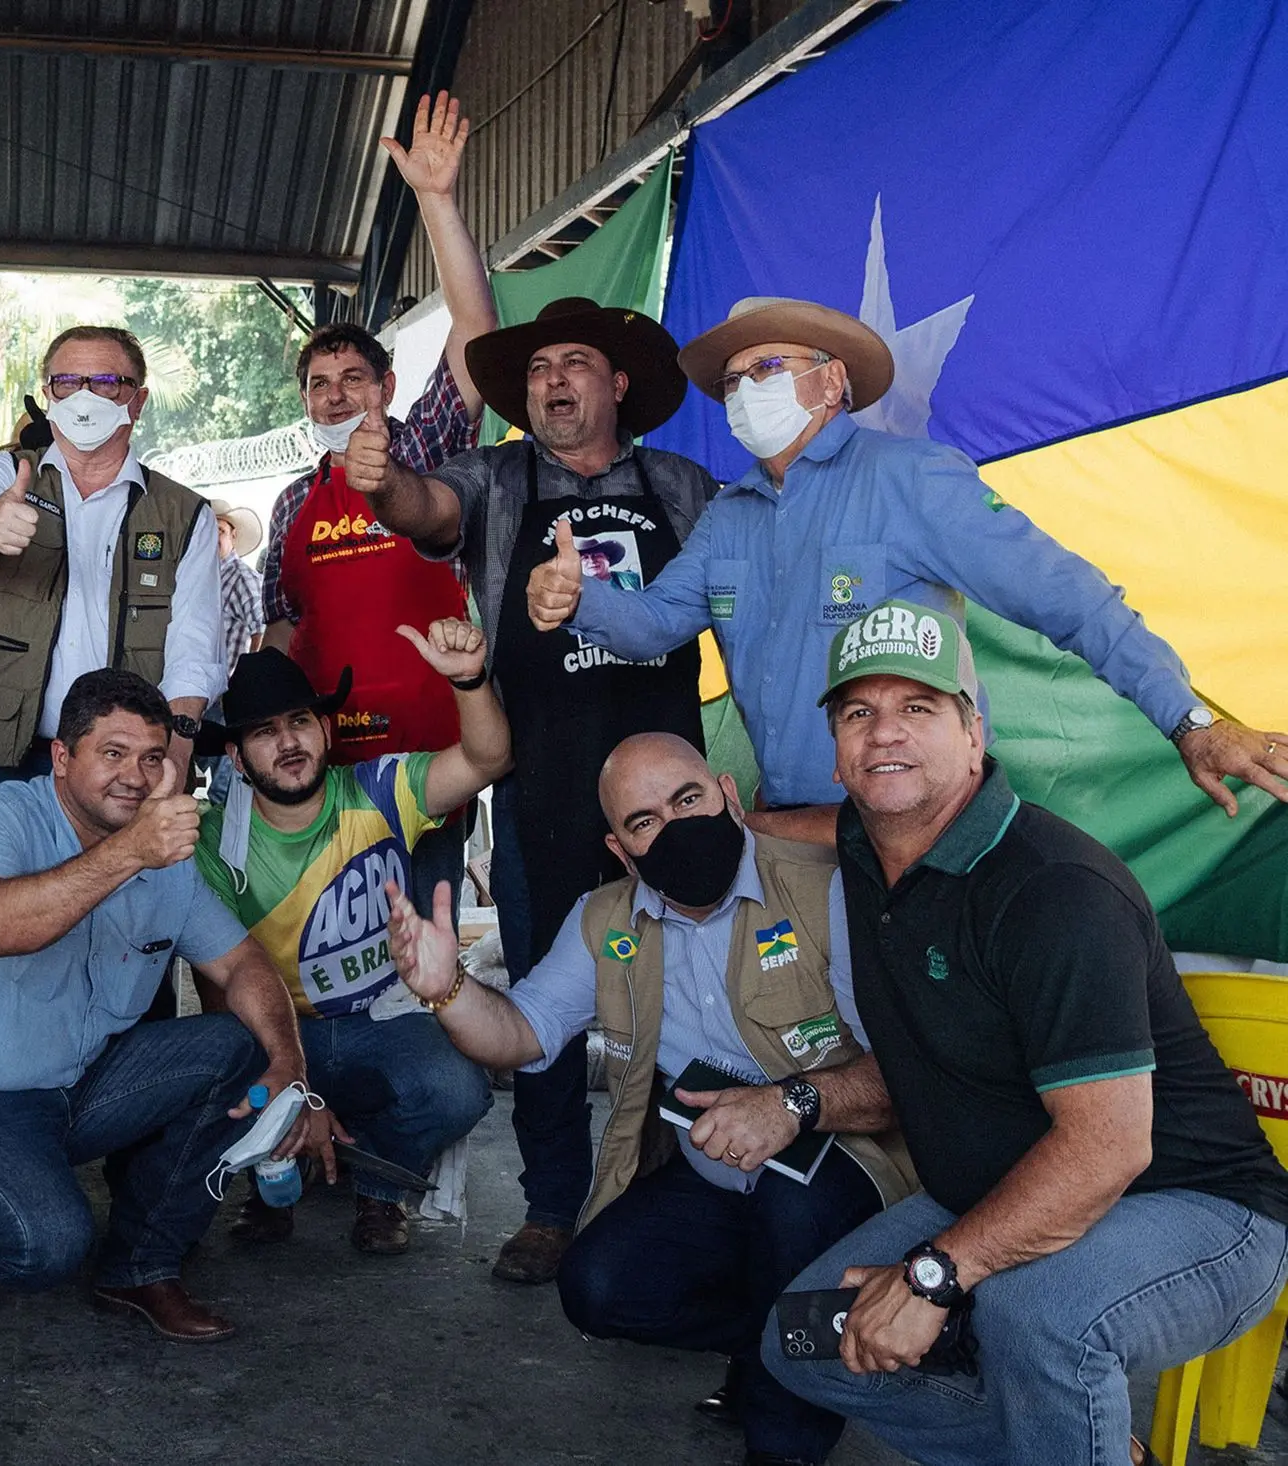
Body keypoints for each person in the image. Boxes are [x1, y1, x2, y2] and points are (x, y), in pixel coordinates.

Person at [764, 602, 1288, 1465]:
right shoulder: (868, 839)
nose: (886, 733)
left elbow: (1107, 1151)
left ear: (976, 734)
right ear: (838, 749)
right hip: (998, 1187)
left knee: (1035, 1322)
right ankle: (1083, 1447)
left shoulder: (1054, 889)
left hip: (1194, 1207)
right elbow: (808, 827)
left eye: (919, 709)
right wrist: (698, 824)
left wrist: (934, 1275)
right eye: (860, 713)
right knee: (804, 1336)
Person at [538, 295, 1288, 840]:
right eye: (733, 382)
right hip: (798, 832)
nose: (745, 392)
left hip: (924, 829)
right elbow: (654, 623)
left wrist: (1188, 721)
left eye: (767, 367)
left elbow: (1069, 599)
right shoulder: (728, 517)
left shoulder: (913, 479)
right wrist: (580, 598)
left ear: (831, 384)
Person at [387, 730, 916, 1466]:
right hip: (717, 1171)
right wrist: (445, 987)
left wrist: (789, 1104)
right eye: (644, 822)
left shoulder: (823, 888)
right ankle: (783, 1339)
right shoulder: (606, 921)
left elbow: (902, 1078)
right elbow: (520, 1032)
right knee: (598, 1286)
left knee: (797, 1214)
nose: (673, 828)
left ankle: (783, 1438)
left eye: (688, 799)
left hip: (844, 1160)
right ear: (621, 848)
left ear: (728, 795)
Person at [344, 295, 720, 1285]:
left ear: (618, 384)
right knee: (549, 1001)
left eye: (576, 363)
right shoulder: (499, 477)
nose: (554, 379)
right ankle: (553, 1202)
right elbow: (423, 507)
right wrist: (382, 485)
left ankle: (680, 1187)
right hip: (541, 787)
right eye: (541, 366)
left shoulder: (682, 485)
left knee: (690, 987)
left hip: (667, 790)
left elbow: (748, 607)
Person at [0, 669, 328, 1341]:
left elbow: (243, 964)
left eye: (151, 757)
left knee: (235, 1045)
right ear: (62, 757)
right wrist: (128, 852)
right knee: (45, 1244)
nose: (136, 777)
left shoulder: (166, 858)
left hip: (76, 1088)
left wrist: (290, 1064)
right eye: (112, 753)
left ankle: (141, 1267)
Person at [259, 91, 494, 940]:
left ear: (385, 388)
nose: (335, 396)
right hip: (330, 776)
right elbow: (282, 633)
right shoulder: (292, 501)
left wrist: (436, 201)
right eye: (318, 385)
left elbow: (475, 328)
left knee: (426, 941)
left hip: (436, 762)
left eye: (352, 379)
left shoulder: (427, 445)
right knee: (339, 950)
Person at [193, 630, 503, 1255]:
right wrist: (281, 1091)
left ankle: (378, 1189)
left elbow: (485, 760)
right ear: (236, 757)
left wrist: (468, 681)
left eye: (300, 721)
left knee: (460, 1088)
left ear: (326, 731)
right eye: (262, 732)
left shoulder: (381, 788)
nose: (287, 743)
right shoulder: (213, 845)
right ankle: (276, 1169)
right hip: (279, 1031)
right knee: (224, 1086)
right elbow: (218, 996)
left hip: (381, 1020)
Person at [0, 326, 224, 787]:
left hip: (129, 768)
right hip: (16, 757)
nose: (84, 397)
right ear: (48, 394)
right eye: (67, 382)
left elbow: (195, 649)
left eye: (106, 383)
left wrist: (178, 753)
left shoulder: (185, 515)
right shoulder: (11, 473)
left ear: (138, 401)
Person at [207, 499, 264, 676]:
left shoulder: (242, 578)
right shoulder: (202, 578)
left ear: (233, 535)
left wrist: (251, 679)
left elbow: (262, 631)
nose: (213, 536)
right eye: (208, 530)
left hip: (226, 689)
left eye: (220, 530)